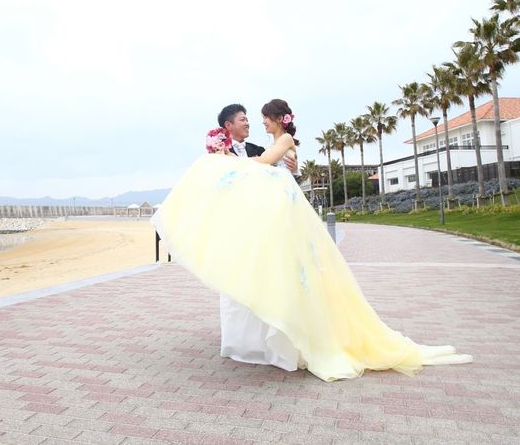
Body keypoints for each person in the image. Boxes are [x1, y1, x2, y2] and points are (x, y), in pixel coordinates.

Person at [151, 99, 472, 382]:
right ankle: (248, 342)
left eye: (260, 118)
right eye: (245, 119)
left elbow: (274, 169)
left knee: (281, 276)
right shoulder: (243, 149)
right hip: (247, 229)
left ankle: (287, 338)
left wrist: (262, 164)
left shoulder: (263, 148)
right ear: (227, 126)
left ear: (278, 119)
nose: (255, 123)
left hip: (276, 222)